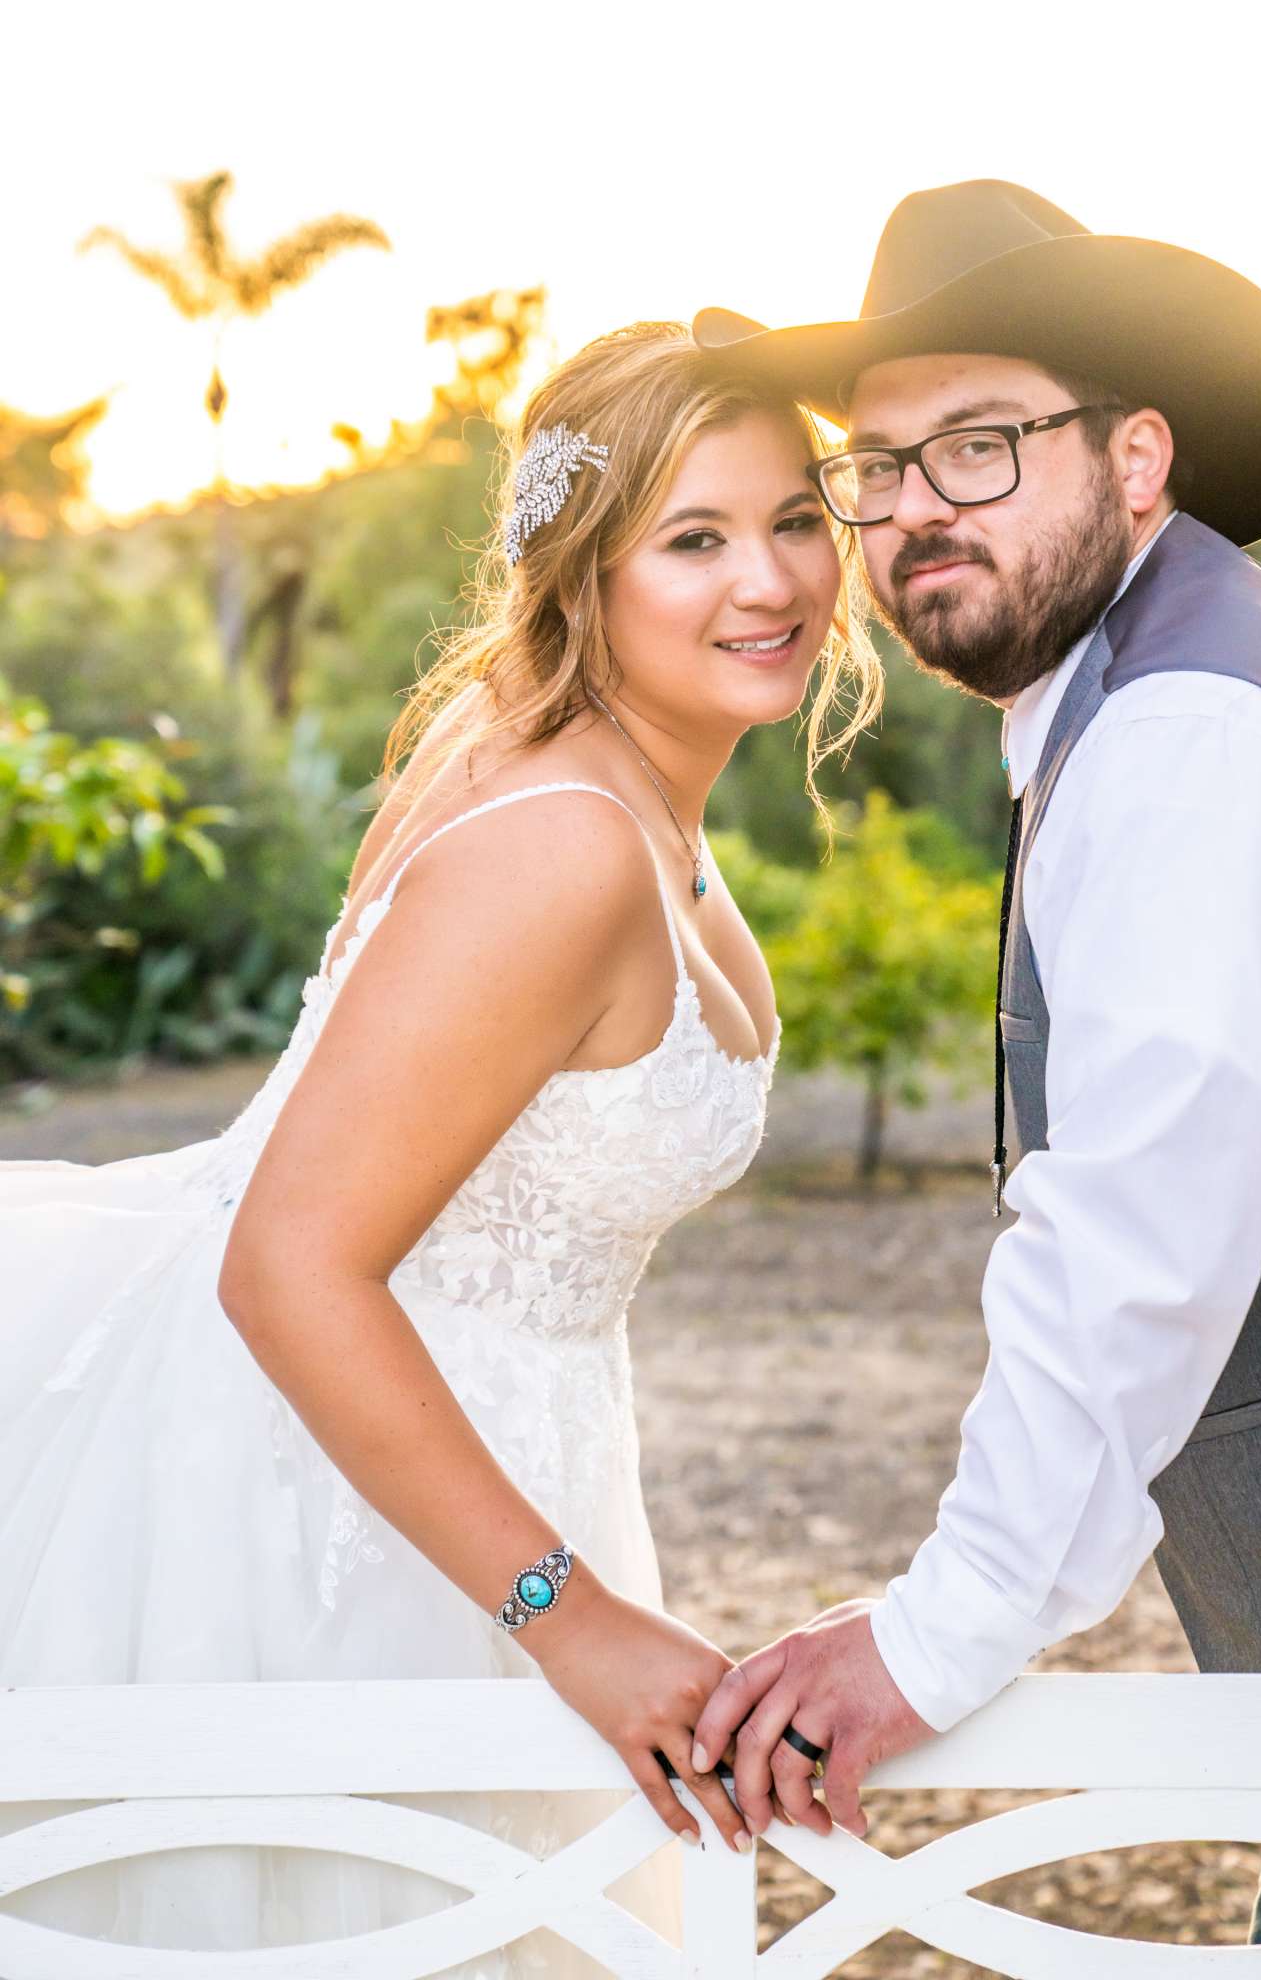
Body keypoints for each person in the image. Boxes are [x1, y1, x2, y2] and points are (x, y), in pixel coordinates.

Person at [687, 180, 1261, 1976]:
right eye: (875, 467)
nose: (909, 513)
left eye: (979, 446)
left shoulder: (1192, 734)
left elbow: (1139, 1239)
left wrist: (932, 1640)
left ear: (1136, 459)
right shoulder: (1165, 688)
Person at [0, 319, 878, 1976]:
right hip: (330, 1512)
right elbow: (289, 1258)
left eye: (790, 520)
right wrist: (570, 1619)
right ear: (586, 574)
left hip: (494, 1453)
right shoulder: (561, 840)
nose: (767, 581)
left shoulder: (588, 762)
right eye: (692, 540)